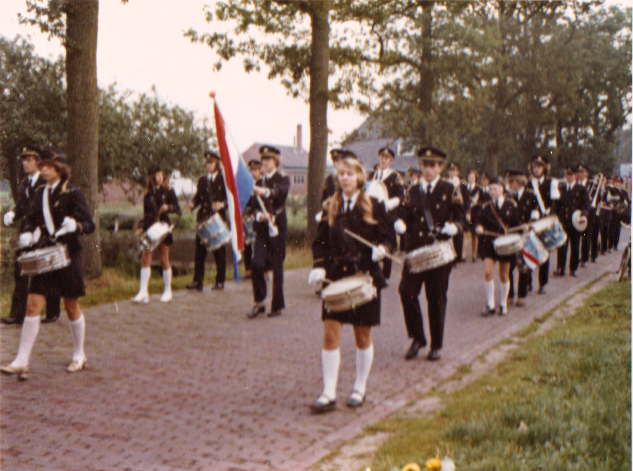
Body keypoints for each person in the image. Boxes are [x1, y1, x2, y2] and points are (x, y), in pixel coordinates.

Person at [308, 155, 392, 413]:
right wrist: (319, 266)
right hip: (336, 277)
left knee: (362, 335)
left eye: (350, 173)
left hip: (364, 277)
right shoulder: (330, 207)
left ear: (359, 177)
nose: (345, 178)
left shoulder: (375, 205)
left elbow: (387, 238)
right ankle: (328, 392)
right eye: (341, 173)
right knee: (330, 334)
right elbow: (320, 242)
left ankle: (359, 388)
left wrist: (382, 249)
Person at [0, 153, 95, 379]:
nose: (43, 168)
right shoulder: (41, 192)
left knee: (71, 307)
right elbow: (31, 218)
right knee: (33, 304)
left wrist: (76, 226)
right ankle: (22, 360)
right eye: (41, 165)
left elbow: (89, 224)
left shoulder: (72, 192)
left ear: (60, 168)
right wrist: (27, 232)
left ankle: (79, 354)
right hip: (46, 255)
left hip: (68, 255)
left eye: (48, 165)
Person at [397, 147, 465, 361]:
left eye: (432, 165)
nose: (427, 169)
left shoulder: (450, 189)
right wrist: (401, 222)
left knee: (436, 299)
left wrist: (455, 227)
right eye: (424, 165)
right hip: (416, 251)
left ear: (440, 167)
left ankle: (436, 345)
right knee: (406, 292)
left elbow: (462, 218)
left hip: (438, 253)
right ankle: (418, 337)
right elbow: (405, 214)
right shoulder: (412, 190)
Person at [3, 146, 61, 325]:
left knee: (46, 271)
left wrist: (41, 229)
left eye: (29, 160)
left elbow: (49, 208)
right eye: (24, 159)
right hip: (26, 232)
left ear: (38, 162)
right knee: (20, 268)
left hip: (43, 231)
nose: (25, 163)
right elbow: (22, 206)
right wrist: (13, 213)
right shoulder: (24, 183)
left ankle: (52, 312)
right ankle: (17, 314)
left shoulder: (45, 183)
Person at [246, 146, 290, 318]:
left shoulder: (283, 179)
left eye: (269, 160)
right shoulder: (258, 182)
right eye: (263, 160)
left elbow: (279, 192)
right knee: (256, 264)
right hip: (263, 229)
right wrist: (259, 216)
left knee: (277, 267)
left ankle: (277, 305)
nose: (265, 163)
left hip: (278, 228)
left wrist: (264, 192)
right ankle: (259, 302)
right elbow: (252, 207)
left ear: (276, 161)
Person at [132, 165, 180, 303]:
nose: (159, 177)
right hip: (150, 228)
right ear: (151, 177)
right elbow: (146, 213)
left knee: (164, 258)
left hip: (163, 227)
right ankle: (143, 292)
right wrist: (141, 227)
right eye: (156, 175)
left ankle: (168, 290)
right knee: (146, 257)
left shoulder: (169, 191)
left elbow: (177, 208)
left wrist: (168, 207)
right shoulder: (148, 194)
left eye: (161, 174)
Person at [476, 176, 522, 316]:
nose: (492, 192)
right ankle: (490, 304)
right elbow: (477, 221)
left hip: (505, 244)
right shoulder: (485, 206)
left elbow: (517, 223)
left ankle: (503, 303)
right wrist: (478, 227)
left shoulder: (511, 205)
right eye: (490, 189)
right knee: (487, 272)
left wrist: (522, 227)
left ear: (502, 189)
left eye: (494, 189)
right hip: (489, 243)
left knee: (503, 274)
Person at [185, 151, 228, 292]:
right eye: (207, 163)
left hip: (217, 219)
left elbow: (232, 199)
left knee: (219, 251)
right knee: (199, 251)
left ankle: (220, 280)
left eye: (211, 163)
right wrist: (192, 204)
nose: (208, 165)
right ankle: (198, 281)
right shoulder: (202, 180)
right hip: (203, 218)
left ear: (217, 164)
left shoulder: (223, 179)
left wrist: (222, 204)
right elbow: (198, 197)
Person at [368, 147, 404, 280]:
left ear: (391, 161)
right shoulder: (371, 175)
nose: (383, 160)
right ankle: (373, 272)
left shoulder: (395, 176)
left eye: (386, 158)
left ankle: (386, 275)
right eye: (381, 157)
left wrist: (392, 202)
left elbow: (401, 195)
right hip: (372, 213)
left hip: (388, 214)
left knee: (387, 241)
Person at [528, 154, 560, 294]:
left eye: (539, 166)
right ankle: (528, 282)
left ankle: (542, 283)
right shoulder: (528, 184)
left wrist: (550, 214)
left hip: (545, 221)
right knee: (530, 250)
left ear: (544, 168)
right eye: (535, 166)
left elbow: (556, 203)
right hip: (531, 222)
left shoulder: (551, 183)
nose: (537, 169)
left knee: (544, 252)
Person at [506, 170, 538, 306]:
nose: (509, 184)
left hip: (525, 235)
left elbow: (536, 211)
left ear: (518, 182)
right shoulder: (508, 196)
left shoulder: (530, 195)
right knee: (509, 266)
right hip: (511, 234)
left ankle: (521, 295)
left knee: (523, 265)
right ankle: (509, 294)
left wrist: (532, 222)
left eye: (511, 181)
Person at [554, 166, 589, 277]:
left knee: (575, 246)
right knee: (561, 246)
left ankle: (573, 268)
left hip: (575, 222)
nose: (569, 177)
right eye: (567, 175)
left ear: (575, 176)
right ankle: (560, 268)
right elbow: (557, 204)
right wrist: (555, 216)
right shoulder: (561, 189)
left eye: (571, 175)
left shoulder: (581, 189)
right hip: (563, 221)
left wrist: (584, 215)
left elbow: (586, 204)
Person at [242, 159, 263, 278]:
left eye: (256, 170)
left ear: (260, 171)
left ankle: (263, 270)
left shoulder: (263, 183)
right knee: (247, 242)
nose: (253, 172)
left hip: (259, 216)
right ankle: (249, 269)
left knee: (259, 243)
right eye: (252, 170)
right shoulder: (247, 184)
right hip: (249, 215)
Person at [447, 162, 469, 263]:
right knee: (447, 234)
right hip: (448, 212)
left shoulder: (462, 184)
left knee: (458, 234)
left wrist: (468, 212)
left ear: (458, 172)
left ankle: (457, 256)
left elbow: (467, 200)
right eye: (451, 170)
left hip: (459, 212)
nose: (453, 172)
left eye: (455, 170)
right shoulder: (446, 183)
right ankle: (450, 256)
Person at [464, 169, 484, 262]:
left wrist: (477, 203)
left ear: (475, 178)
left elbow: (482, 201)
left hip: (475, 213)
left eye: (473, 177)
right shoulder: (464, 188)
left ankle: (474, 254)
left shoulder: (479, 189)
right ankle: (463, 255)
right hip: (465, 213)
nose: (471, 178)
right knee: (464, 233)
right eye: (469, 177)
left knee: (474, 233)